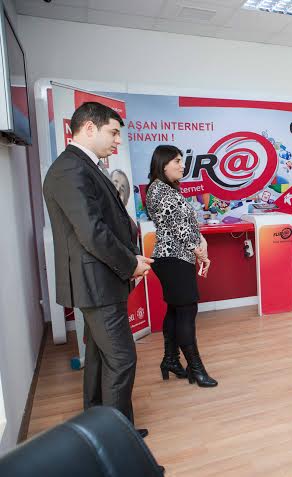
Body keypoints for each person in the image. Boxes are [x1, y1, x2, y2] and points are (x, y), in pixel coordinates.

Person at [43, 102, 153, 436]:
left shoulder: (83, 166)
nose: (118, 141)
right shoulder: (70, 169)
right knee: (122, 358)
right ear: (89, 128)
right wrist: (130, 263)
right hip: (96, 281)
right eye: (113, 132)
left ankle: (97, 426)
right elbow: (92, 232)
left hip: (100, 279)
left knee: (99, 356)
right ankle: (116, 438)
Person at [145, 145, 217, 388]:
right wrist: (200, 251)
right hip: (173, 258)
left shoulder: (164, 188)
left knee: (176, 310)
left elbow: (187, 224)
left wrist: (201, 242)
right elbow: (180, 229)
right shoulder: (161, 190)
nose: (182, 165)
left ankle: (171, 360)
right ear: (163, 164)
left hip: (175, 258)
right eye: (177, 161)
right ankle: (196, 368)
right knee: (187, 311)